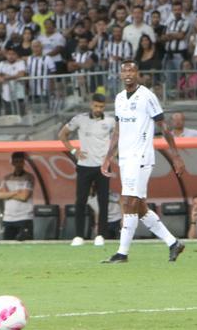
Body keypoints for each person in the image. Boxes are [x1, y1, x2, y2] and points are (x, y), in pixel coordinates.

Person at [101, 60, 186, 263]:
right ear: (120, 75)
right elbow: (118, 131)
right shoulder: (120, 98)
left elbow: (163, 127)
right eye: (124, 71)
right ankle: (173, 243)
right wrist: (107, 158)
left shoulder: (147, 96)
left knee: (128, 201)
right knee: (138, 206)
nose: (128, 73)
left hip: (141, 156)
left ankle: (122, 253)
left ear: (137, 73)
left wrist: (175, 155)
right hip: (125, 157)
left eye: (131, 70)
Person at [59, 92, 113, 246]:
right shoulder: (80, 119)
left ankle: (101, 235)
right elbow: (62, 135)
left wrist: (112, 155)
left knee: (103, 201)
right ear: (91, 105)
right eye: (96, 106)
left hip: (103, 166)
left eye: (101, 107)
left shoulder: (110, 121)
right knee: (81, 201)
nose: (98, 109)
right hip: (84, 166)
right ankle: (79, 236)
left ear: (104, 107)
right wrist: (74, 151)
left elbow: (118, 138)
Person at [0, 151, 34, 241]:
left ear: (24, 162)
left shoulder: (28, 177)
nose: (18, 164)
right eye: (16, 161)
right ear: (12, 162)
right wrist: (15, 192)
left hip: (24, 217)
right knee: (7, 245)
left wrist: (8, 194)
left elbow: (24, 197)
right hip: (8, 218)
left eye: (20, 161)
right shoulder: (7, 178)